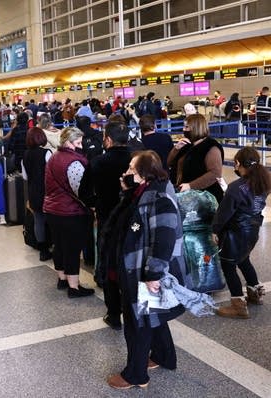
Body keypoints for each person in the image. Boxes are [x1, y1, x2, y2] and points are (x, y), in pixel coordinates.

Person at [106, 150, 215, 389]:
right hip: (134, 268)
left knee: (138, 323)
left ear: (144, 175)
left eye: (132, 170)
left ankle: (135, 375)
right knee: (150, 315)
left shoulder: (158, 199)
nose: (126, 173)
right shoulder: (139, 195)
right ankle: (164, 356)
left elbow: (164, 240)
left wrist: (153, 274)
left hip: (144, 273)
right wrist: (126, 192)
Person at [213, 147, 270, 318]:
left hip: (234, 233)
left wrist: (215, 230)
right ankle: (255, 293)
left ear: (237, 163)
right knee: (244, 260)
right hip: (252, 230)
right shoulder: (263, 182)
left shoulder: (236, 187)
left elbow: (224, 213)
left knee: (228, 265)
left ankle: (238, 305)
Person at [43, 127, 94, 298]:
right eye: (77, 143)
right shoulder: (73, 162)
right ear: (67, 142)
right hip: (70, 212)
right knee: (72, 249)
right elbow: (80, 190)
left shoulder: (53, 157)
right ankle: (74, 287)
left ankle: (62, 279)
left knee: (59, 245)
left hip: (51, 209)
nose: (80, 146)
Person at [91, 122, 133, 329]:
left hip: (107, 218)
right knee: (130, 262)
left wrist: (93, 205)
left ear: (107, 139)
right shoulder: (137, 159)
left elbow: (85, 190)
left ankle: (113, 313)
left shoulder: (98, 162)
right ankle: (132, 307)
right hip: (133, 220)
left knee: (109, 264)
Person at [175, 113, 224, 204]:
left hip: (206, 198)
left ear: (196, 128)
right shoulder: (188, 145)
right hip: (189, 195)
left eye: (186, 127)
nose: (183, 129)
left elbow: (215, 173)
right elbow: (170, 162)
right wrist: (176, 149)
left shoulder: (211, 147)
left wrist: (190, 185)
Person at [22, 127, 53, 261]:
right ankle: (54, 245)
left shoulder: (25, 155)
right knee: (51, 220)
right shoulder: (47, 153)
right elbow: (53, 173)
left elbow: (25, 176)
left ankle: (43, 250)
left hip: (33, 191)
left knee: (38, 220)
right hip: (47, 192)